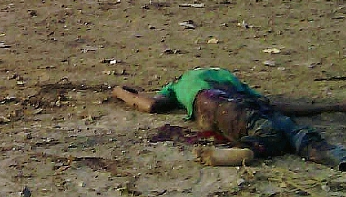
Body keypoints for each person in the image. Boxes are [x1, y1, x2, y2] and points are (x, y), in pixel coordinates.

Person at [112, 67, 346, 169]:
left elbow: (152, 105)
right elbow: (272, 104)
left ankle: (248, 150)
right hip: (243, 103)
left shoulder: (178, 85)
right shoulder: (228, 78)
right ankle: (336, 156)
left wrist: (120, 92)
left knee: (269, 134)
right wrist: (333, 106)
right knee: (296, 132)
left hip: (216, 106)